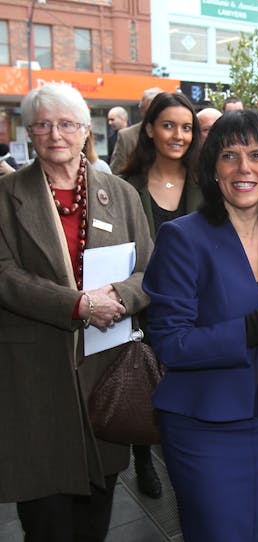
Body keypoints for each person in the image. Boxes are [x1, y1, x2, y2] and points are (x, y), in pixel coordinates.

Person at [142, 109, 258, 541]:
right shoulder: (182, 237)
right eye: (230, 155)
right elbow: (171, 343)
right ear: (212, 170)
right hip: (202, 423)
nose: (245, 168)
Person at [0, 83, 152, 541]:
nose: (55, 134)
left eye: (66, 123)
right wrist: (77, 304)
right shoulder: (6, 195)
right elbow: (3, 274)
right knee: (44, 515)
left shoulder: (120, 193)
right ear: (29, 132)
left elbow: (150, 270)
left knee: (97, 506)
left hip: (104, 370)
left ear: (86, 129)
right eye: (43, 124)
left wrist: (119, 298)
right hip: (34, 370)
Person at [119, 92, 203, 498]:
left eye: (186, 127)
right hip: (144, 306)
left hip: (195, 305)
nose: (178, 135)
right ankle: (142, 458)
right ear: (149, 129)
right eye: (169, 125)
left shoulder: (207, 181)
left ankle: (183, 455)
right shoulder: (125, 186)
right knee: (143, 383)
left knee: (187, 388)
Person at [110, 87, 164, 175]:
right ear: (140, 110)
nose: (152, 115)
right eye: (148, 111)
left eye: (157, 111)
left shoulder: (175, 135)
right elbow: (116, 173)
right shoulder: (127, 136)